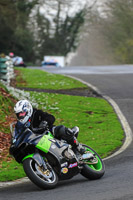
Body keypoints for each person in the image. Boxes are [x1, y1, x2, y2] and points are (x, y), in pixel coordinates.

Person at [14, 99, 85, 154]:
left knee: (61, 129)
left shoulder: (36, 113)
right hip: (36, 141)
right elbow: (17, 134)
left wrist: (45, 122)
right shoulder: (20, 125)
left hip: (48, 132)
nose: (21, 115)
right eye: (19, 114)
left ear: (28, 109)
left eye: (22, 113)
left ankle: (78, 147)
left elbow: (51, 117)